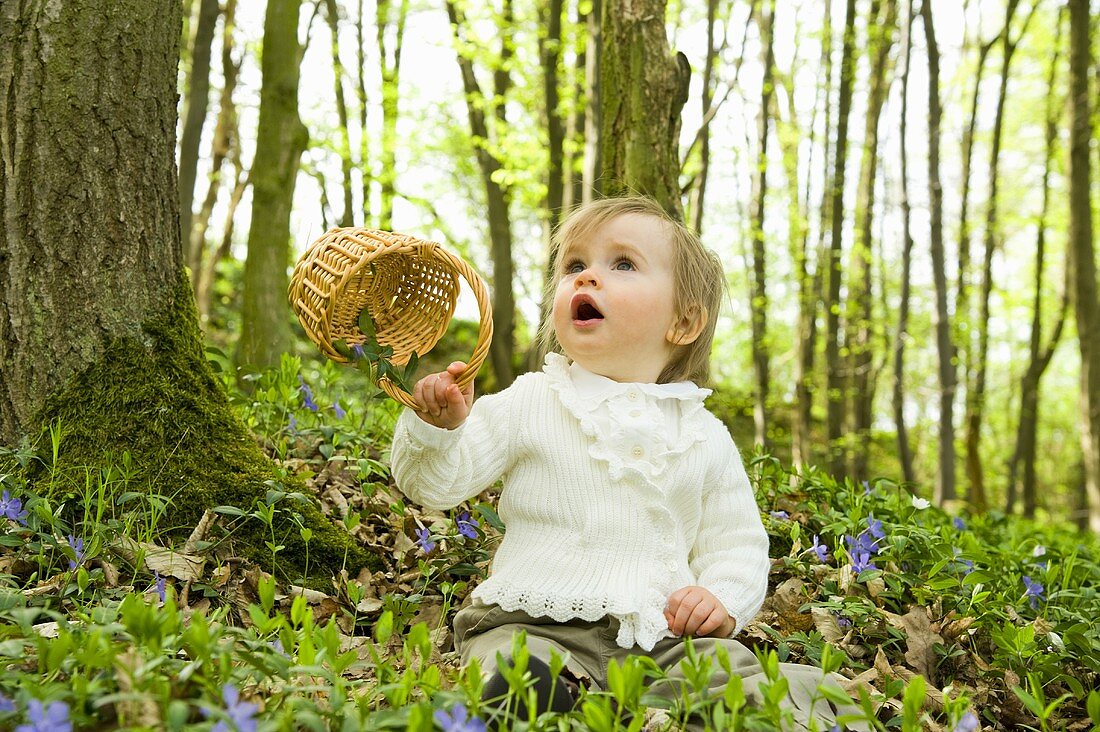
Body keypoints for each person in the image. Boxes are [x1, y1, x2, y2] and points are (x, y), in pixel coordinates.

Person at [391, 196, 855, 730]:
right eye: (574, 265)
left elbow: (737, 541)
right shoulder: (533, 399)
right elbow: (436, 485)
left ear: (682, 321)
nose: (587, 278)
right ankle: (534, 703)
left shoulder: (704, 434)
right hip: (537, 620)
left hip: (660, 638)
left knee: (733, 671)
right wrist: (439, 429)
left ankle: (728, 711)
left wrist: (721, 599)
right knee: (518, 664)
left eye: (623, 264)